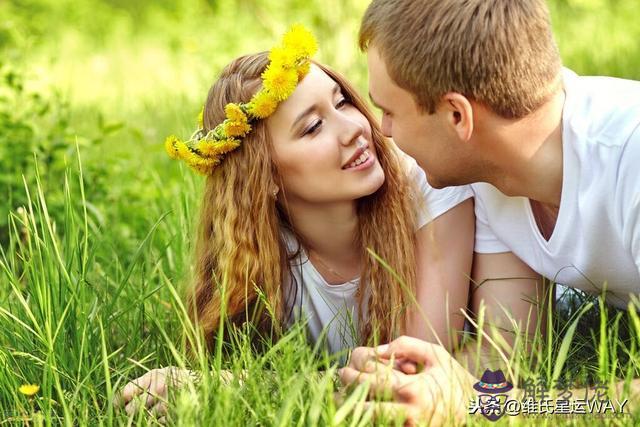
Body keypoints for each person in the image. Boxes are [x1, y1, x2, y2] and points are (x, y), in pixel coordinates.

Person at [114, 25, 475, 419]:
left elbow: (410, 377)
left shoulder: (427, 185)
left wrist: (229, 385)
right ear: (265, 177)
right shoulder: (255, 258)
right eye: (313, 127)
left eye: (342, 103)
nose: (354, 129)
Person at [340, 0, 640, 423]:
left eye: (389, 111)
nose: (383, 131)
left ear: (458, 116)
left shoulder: (629, 159)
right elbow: (510, 348)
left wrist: (492, 406)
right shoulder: (491, 174)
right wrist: (401, 384)